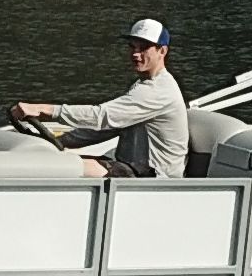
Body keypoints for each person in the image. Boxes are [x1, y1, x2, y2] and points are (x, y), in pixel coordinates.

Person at [22, 22, 186, 179]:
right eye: (132, 47)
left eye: (143, 48)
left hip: (154, 177)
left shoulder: (158, 90)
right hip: (131, 167)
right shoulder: (142, 85)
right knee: (57, 160)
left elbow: (102, 116)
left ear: (162, 51)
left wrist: (46, 110)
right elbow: (107, 128)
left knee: (56, 167)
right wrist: (59, 141)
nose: (136, 54)